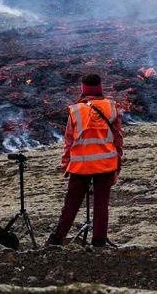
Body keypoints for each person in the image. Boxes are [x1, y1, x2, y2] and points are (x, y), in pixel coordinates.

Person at [46, 73, 123, 247]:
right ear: (100, 87)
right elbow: (118, 138)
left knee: (71, 205)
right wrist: (118, 164)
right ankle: (99, 242)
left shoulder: (75, 110)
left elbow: (69, 140)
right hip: (105, 164)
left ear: (83, 88)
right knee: (101, 205)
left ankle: (56, 241)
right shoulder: (111, 107)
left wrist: (66, 163)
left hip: (80, 165)